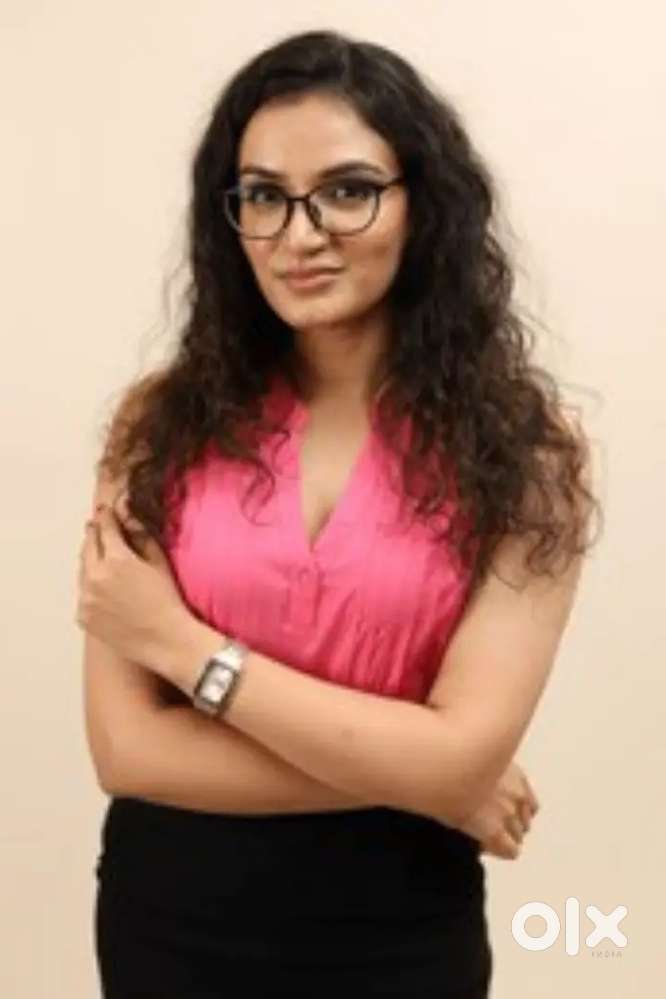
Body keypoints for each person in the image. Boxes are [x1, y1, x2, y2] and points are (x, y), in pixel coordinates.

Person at [79, 29, 600, 998]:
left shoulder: (528, 453)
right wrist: (427, 774)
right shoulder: (157, 423)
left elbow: (461, 759)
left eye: (348, 189)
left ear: (424, 204)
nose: (300, 234)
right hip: (168, 925)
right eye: (263, 196)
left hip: (401, 934)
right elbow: (126, 751)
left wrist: (185, 648)